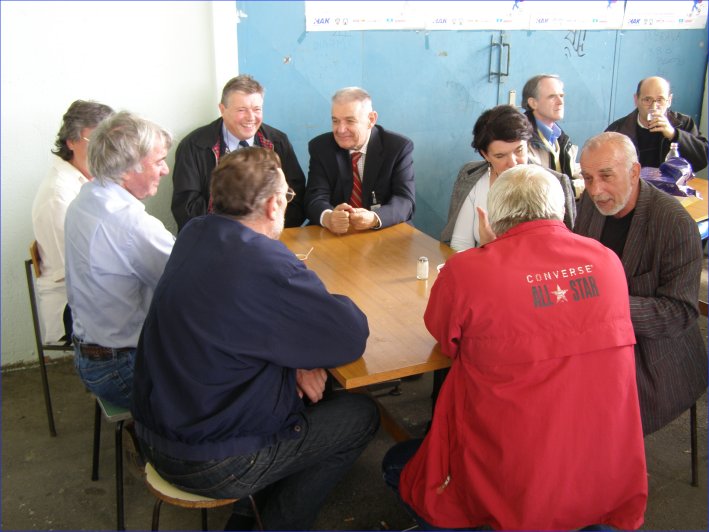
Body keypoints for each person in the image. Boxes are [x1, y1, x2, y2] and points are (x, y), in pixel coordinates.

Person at [383, 164, 648, 531]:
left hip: (508, 483)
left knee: (396, 463)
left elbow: (445, 337)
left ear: (489, 216)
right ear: (561, 209)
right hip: (598, 476)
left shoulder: (467, 272)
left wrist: (488, 249)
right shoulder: (606, 261)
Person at [132, 147, 379, 530]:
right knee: (360, 415)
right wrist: (300, 355)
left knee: (308, 389)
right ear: (273, 205)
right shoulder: (267, 263)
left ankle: (250, 512)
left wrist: (295, 362)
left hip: (153, 433)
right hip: (212, 460)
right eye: (287, 196)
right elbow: (350, 334)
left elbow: (238, 325)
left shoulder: (194, 232)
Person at [575, 131, 708, 435]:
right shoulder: (591, 205)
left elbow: (680, 312)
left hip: (656, 352)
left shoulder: (674, 224)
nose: (595, 190)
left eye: (606, 176)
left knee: (595, 410)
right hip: (598, 336)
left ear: (634, 172)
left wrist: (606, 306)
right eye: (588, 178)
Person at [65, 112, 174, 409]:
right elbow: (189, 283)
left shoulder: (86, 196)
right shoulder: (130, 224)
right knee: (227, 388)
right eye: (159, 161)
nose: (165, 170)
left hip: (90, 356)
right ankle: (156, 434)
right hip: (121, 367)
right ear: (128, 169)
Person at [171, 74, 306, 231]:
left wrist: (266, 231)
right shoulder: (194, 146)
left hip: (267, 236)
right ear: (222, 109)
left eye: (257, 109)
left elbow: (296, 198)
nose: (251, 117)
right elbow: (186, 209)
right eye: (242, 110)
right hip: (213, 238)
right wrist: (236, 234)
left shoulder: (277, 142)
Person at [31, 100, 114, 343]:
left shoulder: (95, 177)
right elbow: (77, 270)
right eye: (95, 139)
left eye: (110, 140)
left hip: (97, 286)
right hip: (70, 306)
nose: (105, 148)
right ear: (71, 141)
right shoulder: (58, 195)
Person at [441, 104, 576, 251]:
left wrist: (492, 248)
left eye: (519, 150)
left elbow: (565, 249)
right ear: (485, 155)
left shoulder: (554, 183)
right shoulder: (471, 176)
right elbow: (460, 245)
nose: (512, 163)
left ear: (528, 144)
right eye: (500, 156)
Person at [305, 87, 415, 234]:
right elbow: (314, 198)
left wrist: (374, 218)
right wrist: (328, 218)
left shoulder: (397, 147)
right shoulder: (321, 147)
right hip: (335, 234)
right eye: (335, 121)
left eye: (350, 121)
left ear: (371, 119)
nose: (340, 130)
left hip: (385, 232)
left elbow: (405, 201)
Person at [605, 76, 708, 171]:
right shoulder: (618, 129)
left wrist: (674, 134)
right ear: (636, 100)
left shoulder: (683, 123)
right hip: (634, 184)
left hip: (672, 184)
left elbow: (702, 160)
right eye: (647, 100)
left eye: (660, 100)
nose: (654, 107)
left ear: (669, 101)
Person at [522, 74, 582, 183]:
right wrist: (578, 187)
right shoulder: (522, 139)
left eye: (561, 96)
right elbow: (540, 184)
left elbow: (571, 170)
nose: (560, 102)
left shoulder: (560, 136)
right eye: (552, 97)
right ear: (533, 103)